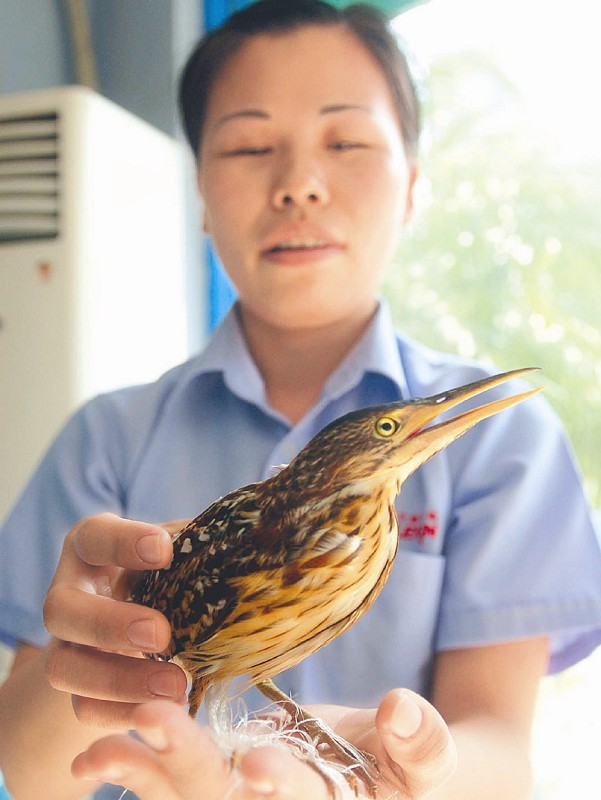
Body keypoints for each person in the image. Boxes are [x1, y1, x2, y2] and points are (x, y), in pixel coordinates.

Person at [1, 1, 600, 798]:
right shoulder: (106, 439)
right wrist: (105, 656)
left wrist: (398, 772)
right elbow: (30, 771)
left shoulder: (506, 444)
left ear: (413, 185)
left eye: (345, 140)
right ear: (200, 199)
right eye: (250, 146)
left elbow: (496, 744)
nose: (299, 185)